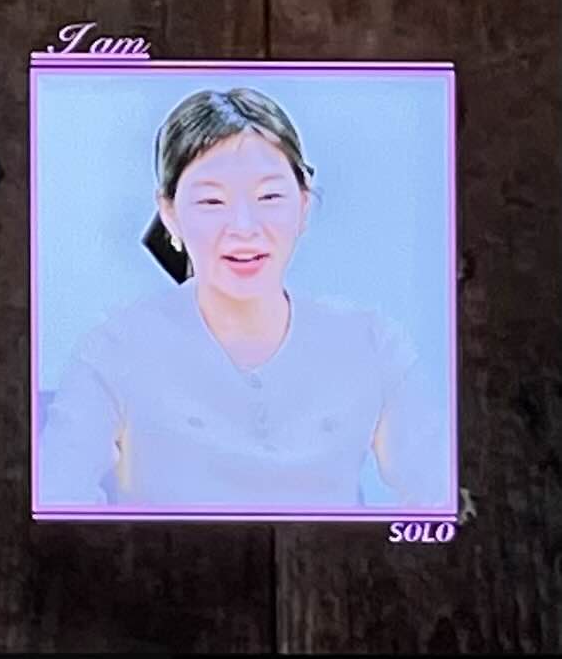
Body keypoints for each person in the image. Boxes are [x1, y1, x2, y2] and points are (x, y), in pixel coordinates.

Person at [36, 87, 451, 511]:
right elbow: (57, 501)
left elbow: (443, 501)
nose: (244, 227)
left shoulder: (371, 343)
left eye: (269, 197)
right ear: (170, 214)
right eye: (212, 201)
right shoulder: (116, 347)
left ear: (303, 204)